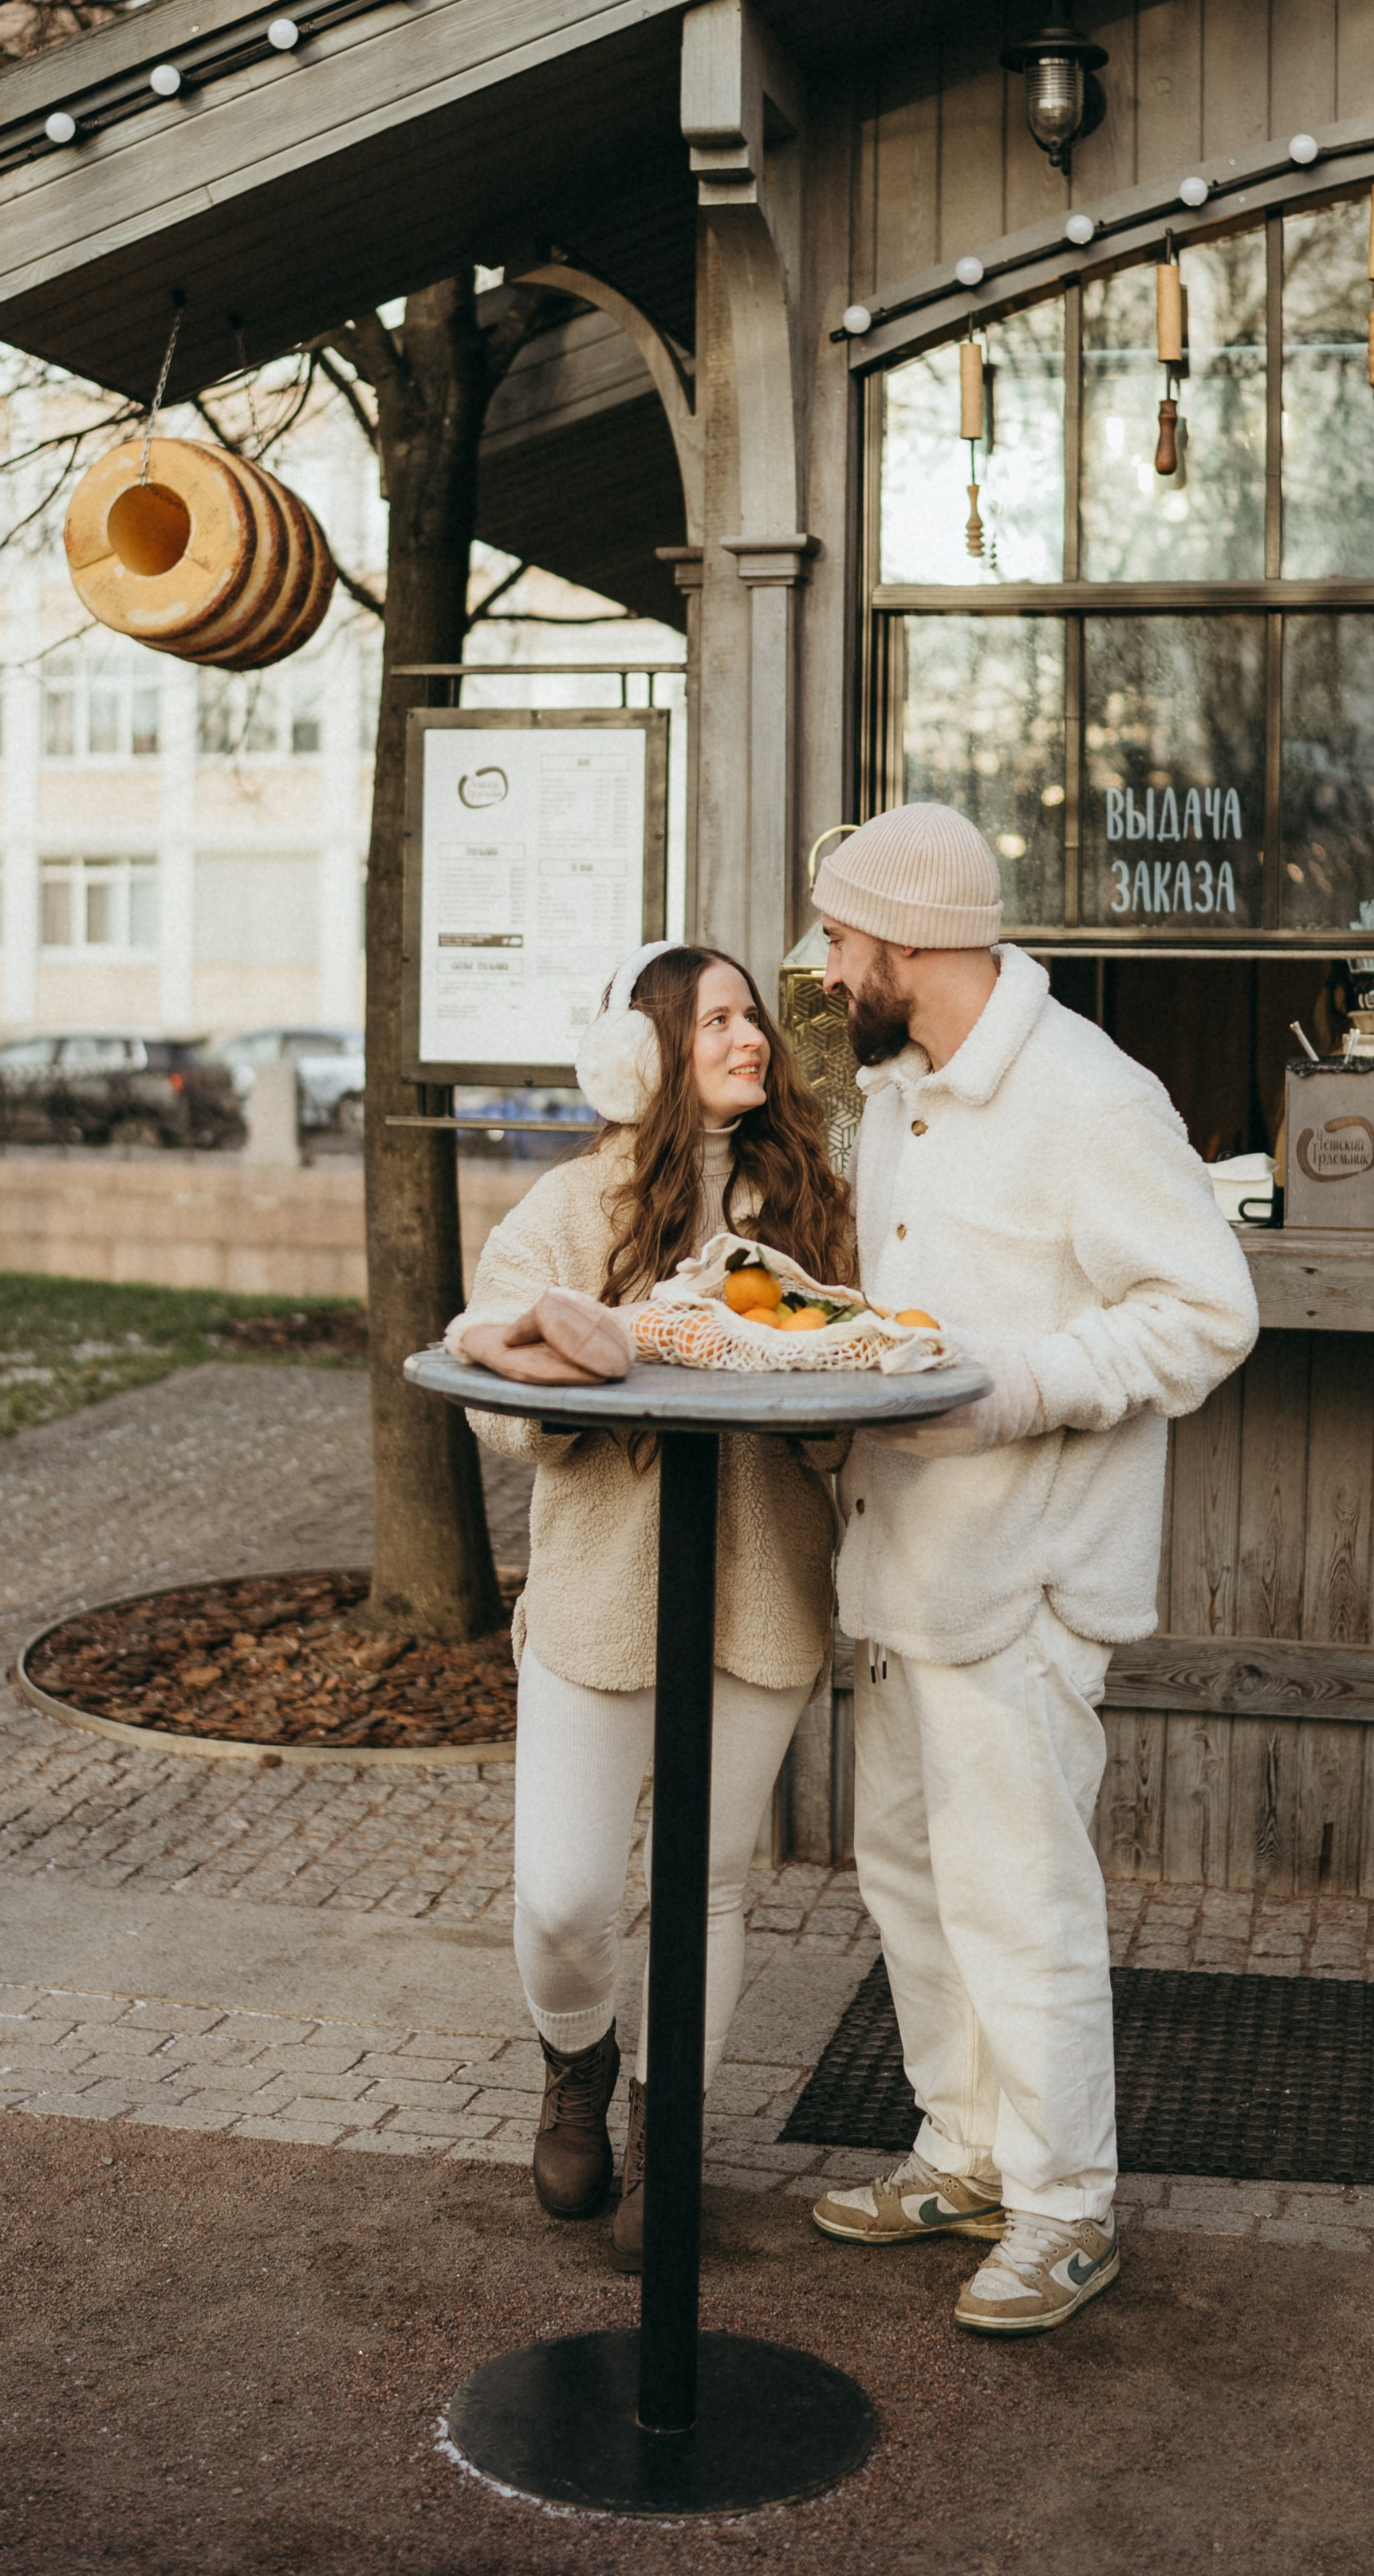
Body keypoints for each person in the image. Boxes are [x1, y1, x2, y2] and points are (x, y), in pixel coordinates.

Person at [805, 805, 1259, 2334]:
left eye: (844, 943)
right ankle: (967, 2152)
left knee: (1024, 1900)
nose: (826, 969)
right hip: (905, 1573)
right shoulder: (896, 1091)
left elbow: (1206, 1316)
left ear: (913, 947)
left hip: (1029, 1576)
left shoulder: (1088, 1093)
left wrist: (1003, 1385)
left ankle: (1067, 2207)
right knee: (913, 1879)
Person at [449, 939, 852, 2267]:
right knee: (566, 1899)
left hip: (762, 1593)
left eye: (755, 1019)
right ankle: (579, 2057)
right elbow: (496, 1368)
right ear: (643, 1056)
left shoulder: (813, 1202)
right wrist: (594, 1350)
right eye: (717, 1020)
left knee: (707, 1886)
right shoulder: (574, 1207)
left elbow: (865, 1371)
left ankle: (664, 2124)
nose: (751, 1040)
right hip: (599, 1595)